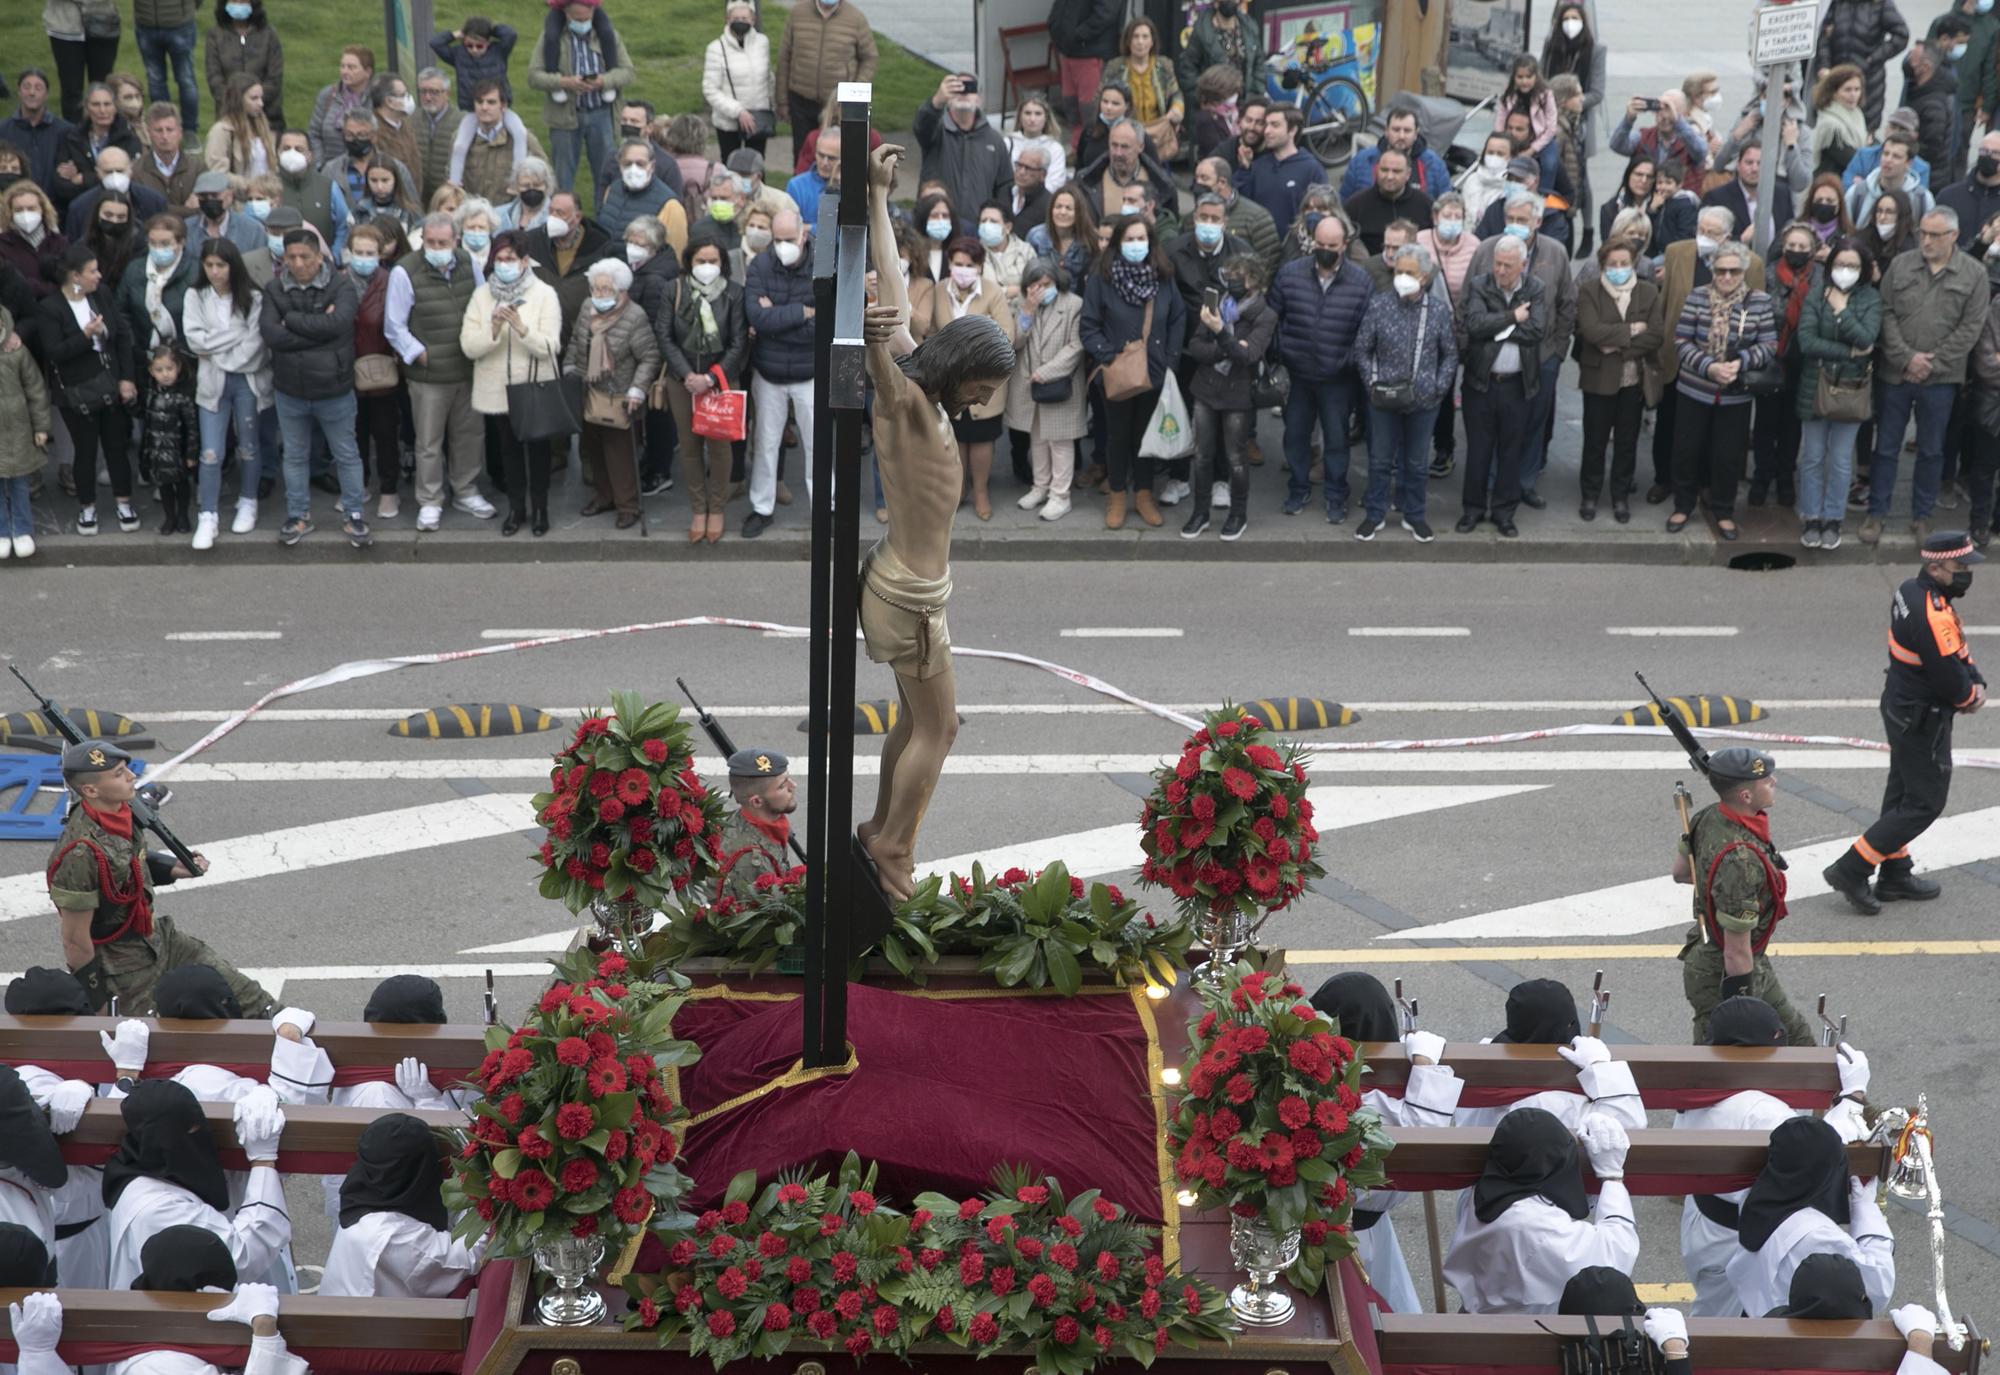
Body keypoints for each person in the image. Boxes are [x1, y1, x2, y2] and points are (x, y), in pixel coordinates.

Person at [856, 150, 1014, 898]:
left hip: (912, 585)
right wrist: (867, 334)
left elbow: (893, 283)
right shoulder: (909, 400)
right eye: (982, 388)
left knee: (916, 720)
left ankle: (882, 829)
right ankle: (892, 848)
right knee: (940, 728)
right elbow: (881, 362)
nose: (984, 402)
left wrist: (881, 196)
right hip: (911, 595)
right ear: (961, 371)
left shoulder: (921, 376)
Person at [1674, 998, 1872, 1316]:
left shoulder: (1700, 1085)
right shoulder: (1762, 1111)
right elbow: (1820, 1151)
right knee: (1724, 1330)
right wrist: (1852, 1097)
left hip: (1703, 1220)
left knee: (1713, 1310)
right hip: (1735, 1239)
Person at [1824, 531, 1987, 912]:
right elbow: (1947, 670)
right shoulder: (1932, 612)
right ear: (1935, 566)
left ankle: (1895, 873)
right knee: (1924, 802)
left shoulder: (1910, 590)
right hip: (1921, 718)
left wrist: (1973, 675)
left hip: (1900, 706)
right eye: (1960, 566)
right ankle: (1852, 867)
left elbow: (1953, 648)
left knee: (1901, 792)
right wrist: (1969, 695)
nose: (1966, 573)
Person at [1663, 746, 1814, 1045]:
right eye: (1766, 781)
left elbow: (1682, 871)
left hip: (1730, 958)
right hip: (1725, 973)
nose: (1774, 782)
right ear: (1746, 796)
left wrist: (1718, 887)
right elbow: (1735, 950)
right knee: (1722, 1061)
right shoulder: (1741, 862)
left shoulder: (1708, 816)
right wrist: (1741, 1006)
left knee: (1797, 1040)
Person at [1860, 208, 1986, 545]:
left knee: (1931, 450)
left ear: (1954, 236)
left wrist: (1933, 362)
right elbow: (1884, 311)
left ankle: (1922, 517)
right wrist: (1906, 357)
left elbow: (1971, 327)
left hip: (1941, 379)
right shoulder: (1901, 265)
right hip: (1895, 373)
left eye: (1934, 235)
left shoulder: (1973, 274)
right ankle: (1877, 513)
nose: (1926, 241)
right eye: (1923, 233)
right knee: (1886, 447)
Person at [1441, 1107, 1637, 1315]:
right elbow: (1613, 1258)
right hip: (1521, 1334)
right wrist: (1612, 1177)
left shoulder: (1484, 1190)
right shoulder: (1534, 1226)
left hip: (1479, 1318)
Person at [382, 212, 492, 532]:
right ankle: (429, 500)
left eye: (442, 242)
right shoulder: (406, 271)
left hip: (467, 369)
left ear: (455, 241)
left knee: (469, 435)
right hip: (428, 376)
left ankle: (466, 491)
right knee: (428, 441)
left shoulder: (467, 263)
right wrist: (420, 355)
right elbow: (394, 326)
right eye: (430, 242)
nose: (436, 247)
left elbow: (482, 305)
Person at [260, 226, 368, 547]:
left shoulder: (342, 285)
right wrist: (317, 328)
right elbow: (271, 334)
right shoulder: (273, 289)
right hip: (290, 389)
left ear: (318, 256)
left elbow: (338, 325)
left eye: (304, 256)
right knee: (294, 456)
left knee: (346, 454)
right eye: (290, 256)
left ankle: (354, 515)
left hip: (334, 389)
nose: (296, 262)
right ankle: (298, 516)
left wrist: (290, 320)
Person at [1724, 1116, 1893, 1318]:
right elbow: (1877, 1289)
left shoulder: (1756, 1198)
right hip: (1798, 1336)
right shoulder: (1818, 1235)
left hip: (1759, 1318)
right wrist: (1866, 1210)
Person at [452, 228, 558, 537]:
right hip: (498, 388)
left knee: (538, 451)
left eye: (510, 258)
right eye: (499, 258)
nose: (504, 264)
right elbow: (469, 346)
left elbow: (550, 346)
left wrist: (522, 329)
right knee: (508, 451)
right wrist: (494, 330)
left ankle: (540, 509)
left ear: (524, 261)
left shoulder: (544, 294)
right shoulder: (481, 295)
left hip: (534, 386)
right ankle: (516, 509)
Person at [1080, 212, 1182, 529]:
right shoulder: (1101, 277)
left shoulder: (1163, 276)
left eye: (1142, 239)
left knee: (1145, 437)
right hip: (1117, 374)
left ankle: (1144, 494)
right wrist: (1109, 358)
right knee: (1117, 436)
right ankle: (1117, 495)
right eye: (1130, 239)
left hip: (1154, 371)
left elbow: (1178, 317)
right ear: (1118, 242)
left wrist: (1170, 360)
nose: (1136, 245)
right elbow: (1089, 326)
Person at [1667, 239, 1773, 539]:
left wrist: (1739, 363)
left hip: (1736, 392)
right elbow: (1681, 341)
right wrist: (1709, 367)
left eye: (1734, 272)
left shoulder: (1759, 301)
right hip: (1695, 388)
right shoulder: (1697, 297)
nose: (1727, 277)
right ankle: (1683, 505)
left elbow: (1768, 344)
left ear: (1744, 272)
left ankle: (1723, 510)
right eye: (1721, 270)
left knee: (1728, 456)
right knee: (1687, 450)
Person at [1268, 210, 1367, 523]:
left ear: (1344, 244)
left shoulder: (1361, 282)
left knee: (1336, 441)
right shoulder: (1290, 274)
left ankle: (1336, 494)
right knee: (1295, 436)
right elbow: (1272, 319)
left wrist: (1345, 363)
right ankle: (1298, 487)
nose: (1325, 249)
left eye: (1332, 244)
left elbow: (1365, 335)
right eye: (1320, 243)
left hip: (1338, 379)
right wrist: (1281, 355)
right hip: (1298, 375)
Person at [1351, 242, 1453, 543]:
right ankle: (1374, 514)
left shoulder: (1437, 310)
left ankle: (1415, 515)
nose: (1402, 277)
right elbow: (1363, 349)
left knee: (1417, 462)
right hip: (1383, 398)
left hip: (1424, 401)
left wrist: (1437, 387)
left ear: (1424, 276)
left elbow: (1449, 354)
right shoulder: (1379, 304)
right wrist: (1372, 382)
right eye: (1399, 271)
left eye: (1409, 272)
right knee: (1380, 460)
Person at [321, 1114, 483, 1298]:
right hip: (376, 1324)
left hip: (348, 1316)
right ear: (420, 1172)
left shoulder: (362, 1195)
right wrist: (479, 1185)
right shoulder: (396, 1236)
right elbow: (470, 1256)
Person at [38, 241, 137, 534]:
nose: (99, 277)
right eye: (92, 271)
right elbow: (55, 351)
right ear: (75, 276)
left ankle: (124, 502)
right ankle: (88, 507)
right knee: (85, 450)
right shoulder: (50, 308)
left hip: (109, 382)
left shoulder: (101, 295)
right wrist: (86, 335)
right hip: (76, 392)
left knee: (116, 447)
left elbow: (120, 336)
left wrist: (127, 378)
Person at [918, 234, 1017, 520]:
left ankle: (982, 491)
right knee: (957, 439)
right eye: (958, 263)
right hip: (949, 384)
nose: (963, 269)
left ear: (980, 266)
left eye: (969, 264)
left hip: (984, 384)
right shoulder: (937, 290)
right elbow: (931, 333)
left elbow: (1006, 337)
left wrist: (969, 357)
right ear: (950, 263)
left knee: (982, 440)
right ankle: (959, 489)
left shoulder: (993, 292)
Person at [1455, 233, 1545, 538]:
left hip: (1518, 385)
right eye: (1498, 264)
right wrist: (1512, 317)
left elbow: (1536, 331)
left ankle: (1505, 513)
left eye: (1508, 265)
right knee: (1478, 451)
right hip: (1481, 382)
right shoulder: (1481, 285)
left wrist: (1499, 327)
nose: (1501, 271)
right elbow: (1474, 325)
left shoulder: (1536, 288)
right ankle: (1473, 509)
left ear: (1523, 264)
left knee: (1511, 452)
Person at [657, 233, 746, 544]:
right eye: (700, 261)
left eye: (713, 261)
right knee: (690, 447)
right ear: (689, 262)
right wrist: (687, 375)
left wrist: (709, 378)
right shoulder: (674, 290)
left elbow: (738, 342)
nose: (707, 266)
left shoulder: (734, 294)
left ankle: (717, 508)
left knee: (720, 448)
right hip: (682, 383)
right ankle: (698, 507)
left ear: (722, 263)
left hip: (719, 381)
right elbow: (664, 336)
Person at [1793, 237, 1880, 550]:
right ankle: (1811, 516)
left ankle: (1833, 518)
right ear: (1830, 267)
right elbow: (1807, 342)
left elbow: (1868, 337)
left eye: (1853, 266)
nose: (1846, 271)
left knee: (1842, 460)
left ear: (1864, 269)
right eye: (1841, 264)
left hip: (1851, 390)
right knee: (1813, 457)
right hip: (1815, 385)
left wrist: (1842, 312)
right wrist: (1853, 353)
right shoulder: (1816, 295)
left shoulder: (1869, 299)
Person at [181, 234, 266, 545]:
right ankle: (208, 514)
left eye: (220, 265)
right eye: (209, 265)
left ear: (233, 266)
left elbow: (255, 344)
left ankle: (248, 502)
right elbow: (194, 340)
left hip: (246, 379)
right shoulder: (195, 295)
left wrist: (218, 352)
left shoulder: (253, 297)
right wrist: (233, 336)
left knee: (248, 446)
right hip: (211, 383)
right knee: (211, 452)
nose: (214, 271)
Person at [563, 256, 657, 527]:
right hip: (588, 390)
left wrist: (638, 390)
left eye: (606, 289)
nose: (599, 294)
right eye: (595, 289)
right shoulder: (586, 308)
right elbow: (576, 342)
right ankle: (604, 496)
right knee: (594, 450)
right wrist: (570, 367)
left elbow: (649, 356)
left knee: (620, 455)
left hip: (620, 395)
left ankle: (628, 505)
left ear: (621, 290)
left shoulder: (634, 316)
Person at [739, 209, 815, 537]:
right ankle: (762, 507)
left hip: (810, 372)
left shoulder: (822, 266)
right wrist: (801, 312)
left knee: (818, 446)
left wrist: (778, 320)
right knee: (766, 442)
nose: (783, 245)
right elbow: (757, 318)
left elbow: (823, 325)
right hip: (768, 373)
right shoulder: (760, 265)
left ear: (803, 233)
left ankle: (825, 509)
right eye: (777, 239)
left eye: (788, 239)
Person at [1575, 238, 1663, 523]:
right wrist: (1632, 331)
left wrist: (1618, 345)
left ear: (1634, 264)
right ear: (1603, 264)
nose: (1619, 268)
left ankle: (1620, 496)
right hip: (1598, 380)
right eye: (1612, 264)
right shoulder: (1590, 291)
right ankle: (1590, 494)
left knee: (1627, 442)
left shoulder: (1648, 292)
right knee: (1595, 441)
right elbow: (1591, 331)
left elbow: (1655, 335)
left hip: (1633, 383)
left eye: (1624, 263)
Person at [1005, 257, 1085, 523]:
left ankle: (1060, 495)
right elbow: (1014, 342)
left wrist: (1046, 372)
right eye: (1035, 285)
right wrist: (1027, 309)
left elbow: (1075, 347)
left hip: (1060, 383)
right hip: (1028, 385)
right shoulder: (1021, 304)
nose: (1041, 289)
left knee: (1060, 441)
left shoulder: (1073, 304)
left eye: (1046, 284)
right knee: (1037, 438)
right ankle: (1040, 487)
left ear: (1056, 282)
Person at [525, 1, 632, 200]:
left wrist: (603, 81)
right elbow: (533, 76)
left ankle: (604, 221)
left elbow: (628, 72)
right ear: (566, 14)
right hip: (564, 119)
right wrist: (564, 82)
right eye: (577, 19)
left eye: (586, 18)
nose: (582, 23)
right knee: (562, 177)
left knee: (606, 174)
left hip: (602, 116)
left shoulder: (608, 36)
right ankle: (561, 218)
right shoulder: (552, 38)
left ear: (593, 12)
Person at [914, 74, 1012, 237]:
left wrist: (997, 223)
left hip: (977, 229)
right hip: (936, 225)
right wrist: (936, 102)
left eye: (970, 88)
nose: (964, 93)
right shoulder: (936, 132)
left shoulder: (994, 140)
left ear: (979, 99)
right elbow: (921, 126)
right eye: (957, 88)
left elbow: (1004, 186)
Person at [774, 0, 877, 144]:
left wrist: (854, 91)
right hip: (801, 101)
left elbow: (869, 58)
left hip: (838, 105)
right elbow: (784, 57)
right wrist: (782, 101)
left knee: (836, 154)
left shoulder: (856, 18)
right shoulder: (797, 14)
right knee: (802, 153)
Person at [710, 747, 799, 901]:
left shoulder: (756, 822)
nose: (793, 786)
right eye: (782, 786)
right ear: (756, 801)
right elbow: (764, 917)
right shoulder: (752, 861)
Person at [1814, 0, 1911, 133]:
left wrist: (1873, 59)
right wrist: (1824, 66)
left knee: (1864, 130)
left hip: (1868, 80)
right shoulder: (1837, 3)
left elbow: (1901, 35)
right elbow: (1824, 36)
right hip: (1836, 80)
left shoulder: (1881, 4)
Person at [1235, 106, 1324, 237]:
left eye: (1275, 125)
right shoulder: (1258, 165)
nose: (1267, 131)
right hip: (1260, 247)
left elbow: (1324, 212)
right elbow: (1242, 204)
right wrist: (1244, 169)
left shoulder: (1311, 169)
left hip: (1294, 250)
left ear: (1292, 130)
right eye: (1266, 125)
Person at [702, 1, 773, 162]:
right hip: (728, 122)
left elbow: (768, 78)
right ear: (727, 19)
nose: (740, 21)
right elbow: (710, 89)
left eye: (744, 17)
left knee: (756, 165)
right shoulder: (716, 48)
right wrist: (738, 111)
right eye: (736, 18)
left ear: (753, 20)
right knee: (730, 165)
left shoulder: (763, 43)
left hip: (757, 120)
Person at [138, 345, 198, 534]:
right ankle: (169, 517)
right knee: (164, 487)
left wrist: (191, 453)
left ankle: (183, 516)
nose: (165, 374)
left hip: (178, 451)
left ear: (178, 368)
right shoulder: (150, 394)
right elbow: (145, 420)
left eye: (169, 369)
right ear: (151, 371)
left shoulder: (184, 395)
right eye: (159, 370)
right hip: (157, 451)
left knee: (181, 485)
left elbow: (192, 428)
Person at [1101, 19, 1182, 159]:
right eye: (1135, 36)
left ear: (1152, 42)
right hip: (1124, 130)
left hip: (1158, 130)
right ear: (1128, 41)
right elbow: (1100, 97)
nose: (1140, 42)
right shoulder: (1114, 67)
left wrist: (1177, 109)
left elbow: (1176, 94)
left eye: (1145, 37)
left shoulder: (1165, 65)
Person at [1340, 105, 1451, 202]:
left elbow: (1447, 204)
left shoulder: (1435, 164)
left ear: (1416, 134)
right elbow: (1343, 202)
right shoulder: (1362, 160)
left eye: (1407, 131)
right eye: (1396, 130)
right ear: (1386, 131)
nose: (1401, 136)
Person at [1342, 147, 1432, 256]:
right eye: (1384, 170)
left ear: (1408, 174)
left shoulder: (1425, 204)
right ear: (1376, 170)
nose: (1389, 176)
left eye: (1396, 171)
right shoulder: (1356, 206)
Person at [1048, 0, 1121, 128]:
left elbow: (1106, 13)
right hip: (1069, 51)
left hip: (1090, 53)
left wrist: (1079, 34)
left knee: (1090, 111)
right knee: (1071, 107)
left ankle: (1090, 145)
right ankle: (1078, 145)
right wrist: (1054, 27)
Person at [1608, 90, 1707, 175]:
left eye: (1670, 110)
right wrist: (1628, 119)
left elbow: (1701, 152)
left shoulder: (1691, 139)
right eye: (1660, 109)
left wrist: (1677, 122)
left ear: (1684, 114)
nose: (1664, 116)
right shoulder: (1643, 137)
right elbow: (1617, 146)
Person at [430, 14, 516, 110]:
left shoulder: (499, 51)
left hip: (499, 106)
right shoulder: (458, 54)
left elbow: (511, 34)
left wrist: (491, 30)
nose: (474, 49)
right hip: (470, 108)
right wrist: (457, 34)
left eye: (479, 46)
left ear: (488, 43)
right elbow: (435, 43)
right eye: (469, 45)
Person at [1846, 132, 1933, 224]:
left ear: (1909, 163)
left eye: (1896, 156)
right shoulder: (1858, 193)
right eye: (1885, 154)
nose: (1888, 160)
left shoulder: (1921, 199)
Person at [1026, 183, 1097, 287]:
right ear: (1051, 210)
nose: (1062, 212)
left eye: (1068, 208)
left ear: (1079, 213)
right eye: (1058, 207)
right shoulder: (1036, 236)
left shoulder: (1090, 239)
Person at [788, 125, 841, 229]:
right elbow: (791, 228)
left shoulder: (853, 190)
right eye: (821, 155)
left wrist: (809, 228)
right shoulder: (797, 186)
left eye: (831, 158)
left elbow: (851, 234)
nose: (824, 163)